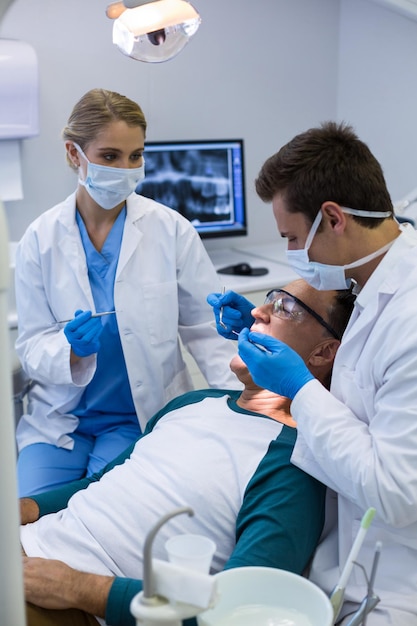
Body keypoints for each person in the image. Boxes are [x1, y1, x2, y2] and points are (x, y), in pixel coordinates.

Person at [20, 279, 355, 626]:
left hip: (71, 604)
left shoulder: (289, 466)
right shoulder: (195, 402)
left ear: (323, 353)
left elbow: (241, 607)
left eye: (287, 308)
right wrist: (24, 507)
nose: (257, 311)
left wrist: (81, 589)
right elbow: (100, 482)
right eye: (272, 298)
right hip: (26, 547)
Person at [207, 121, 417, 625]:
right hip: (342, 553)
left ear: (333, 218)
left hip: (396, 579)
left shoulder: (409, 318)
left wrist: (299, 389)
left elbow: (396, 493)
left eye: (294, 237)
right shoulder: (373, 280)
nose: (292, 254)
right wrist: (270, 313)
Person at [14, 88, 240, 498]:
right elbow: (30, 345)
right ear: (73, 154)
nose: (126, 168)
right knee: (25, 519)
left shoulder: (171, 230)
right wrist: (68, 351)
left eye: (136, 156)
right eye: (110, 156)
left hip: (136, 415)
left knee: (102, 512)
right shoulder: (39, 240)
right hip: (60, 418)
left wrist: (246, 407)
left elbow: (207, 332)